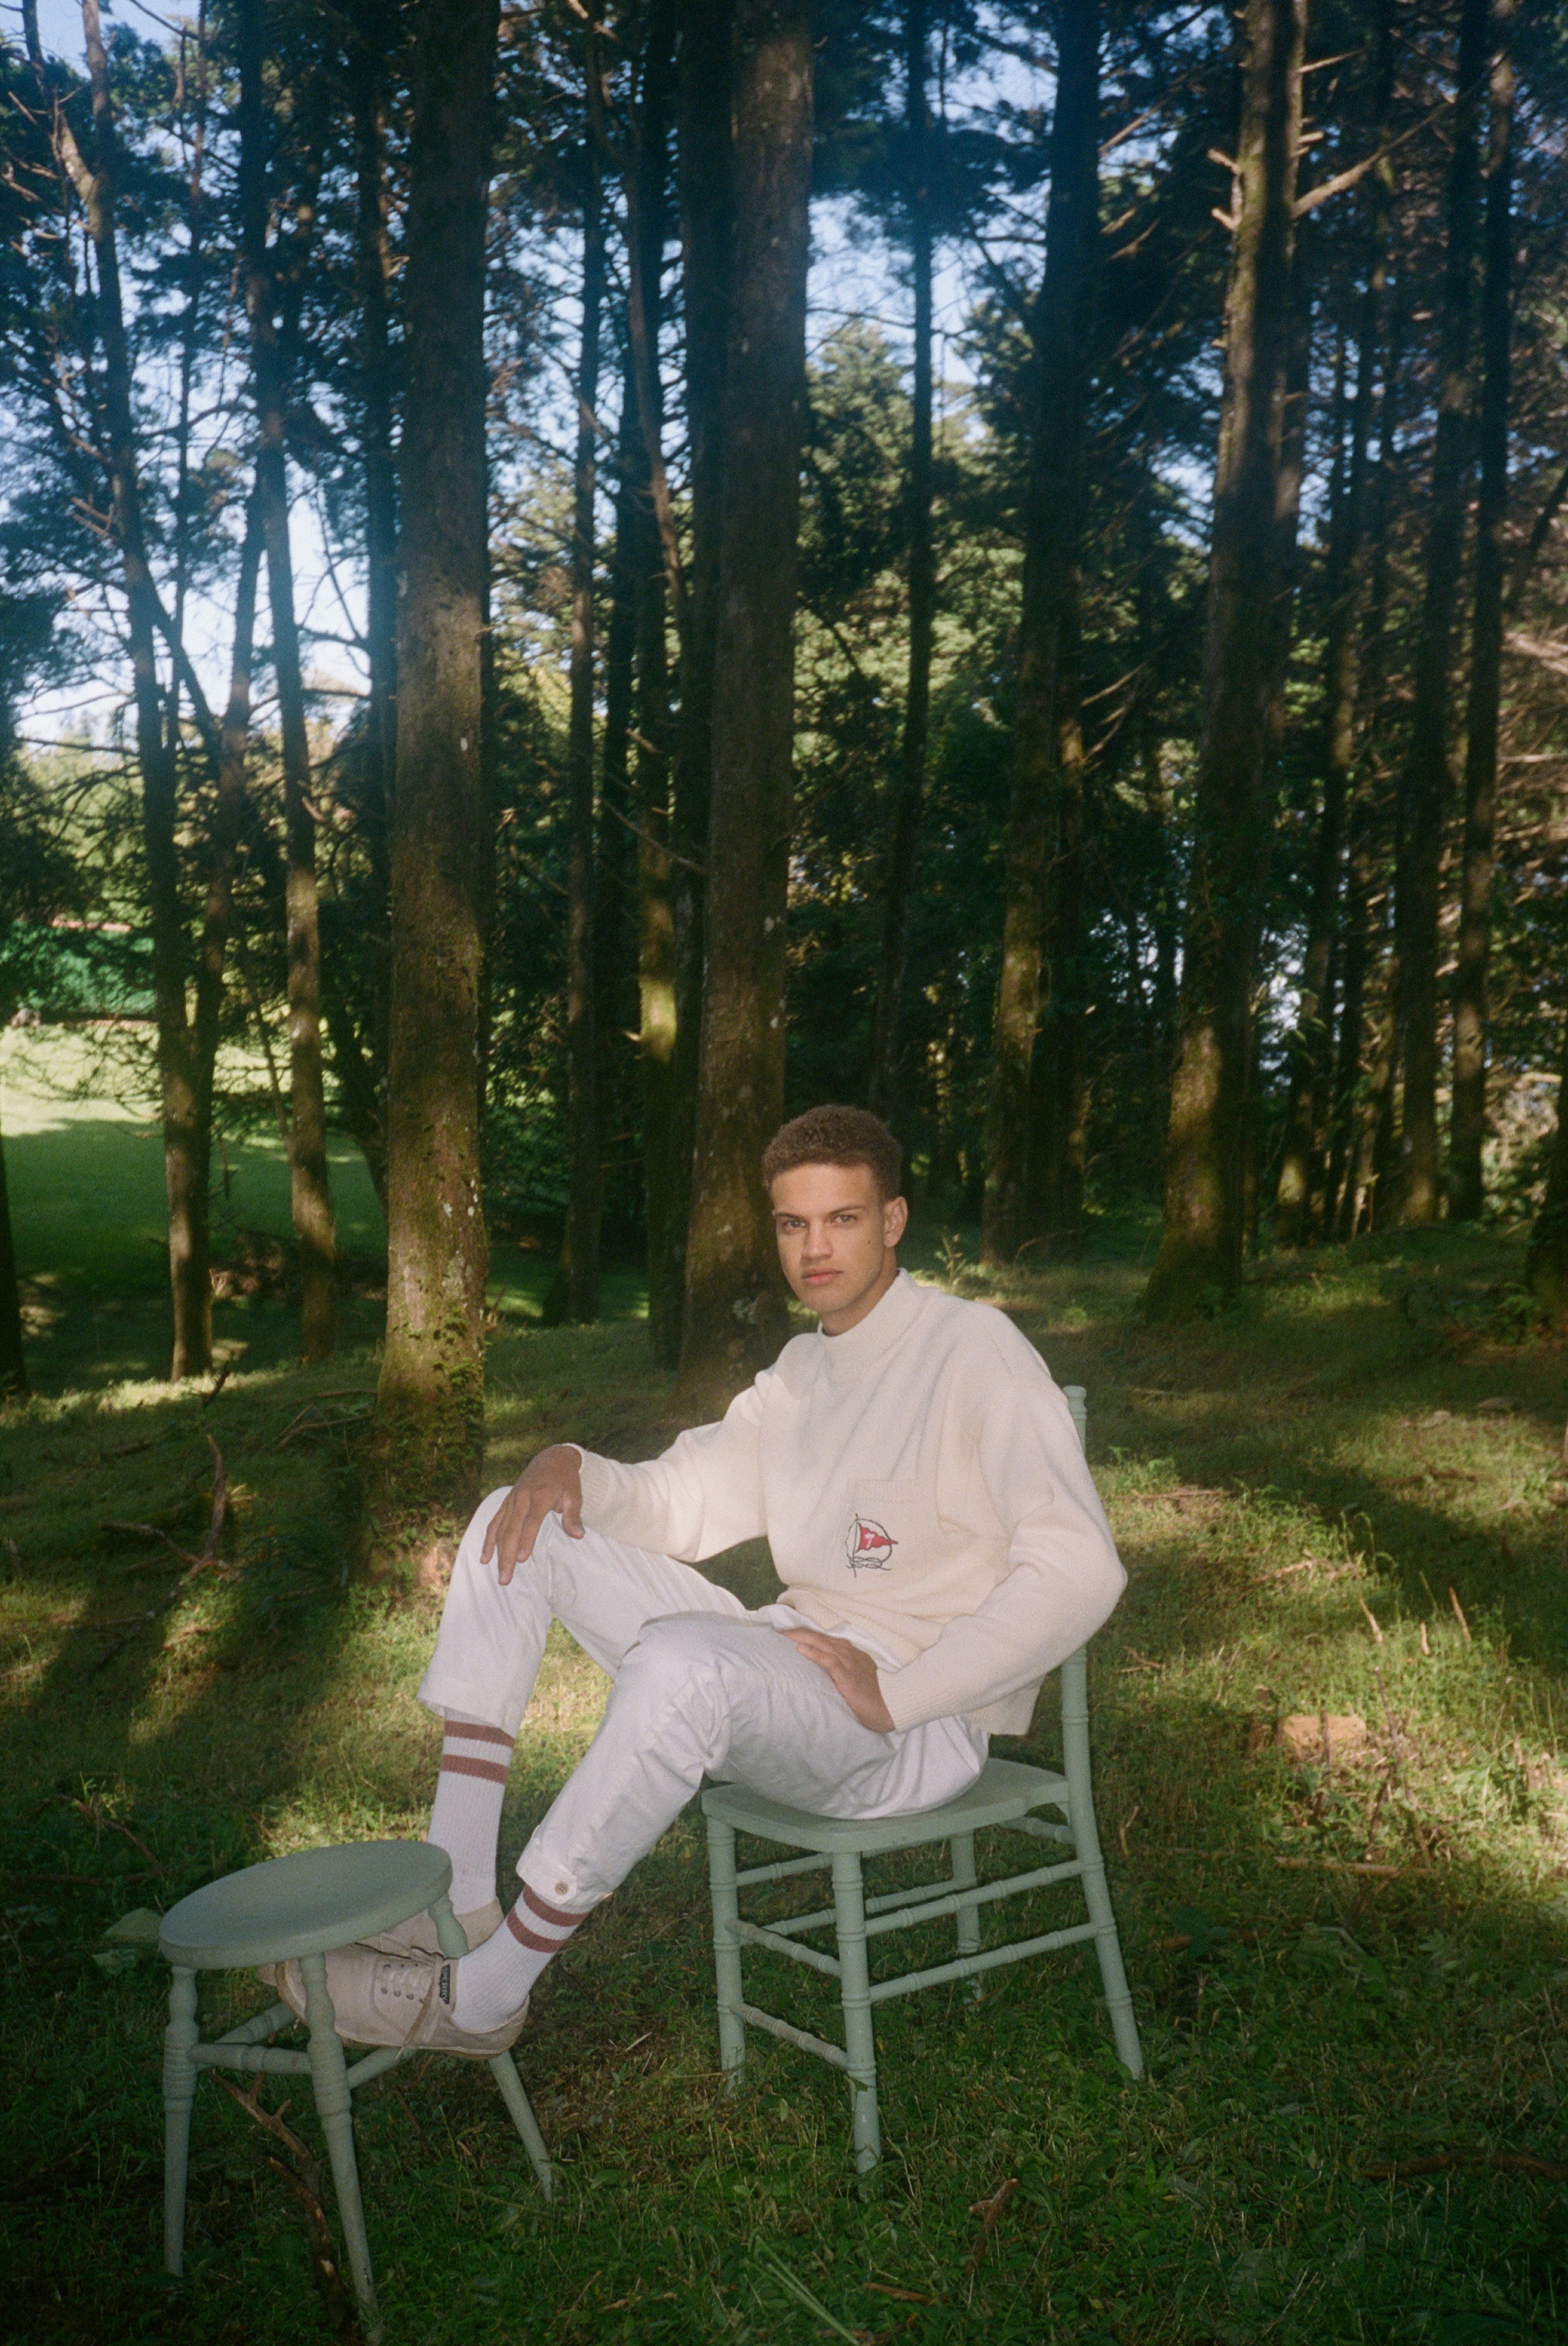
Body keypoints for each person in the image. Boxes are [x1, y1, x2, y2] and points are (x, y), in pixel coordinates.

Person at [265, 1104, 1125, 2053]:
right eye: (794, 1224)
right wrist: (571, 1465)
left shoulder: (974, 1350)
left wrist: (902, 1691)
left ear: (893, 1221)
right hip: (800, 1662)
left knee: (682, 1665)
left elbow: (1081, 1568)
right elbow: (683, 1498)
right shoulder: (803, 1371)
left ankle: (486, 1995)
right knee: (521, 1515)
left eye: (842, 1219)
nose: (816, 1249)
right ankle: (459, 1893)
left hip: (914, 1726)